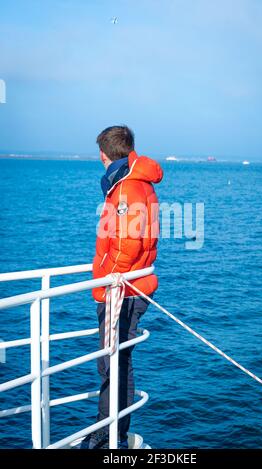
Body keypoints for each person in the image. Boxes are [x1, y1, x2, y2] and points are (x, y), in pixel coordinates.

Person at [81, 125, 163, 449]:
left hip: (122, 290)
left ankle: (107, 436)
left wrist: (105, 282)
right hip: (131, 286)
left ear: (103, 154)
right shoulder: (135, 183)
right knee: (119, 362)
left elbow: (127, 245)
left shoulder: (126, 188)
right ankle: (112, 431)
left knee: (111, 363)